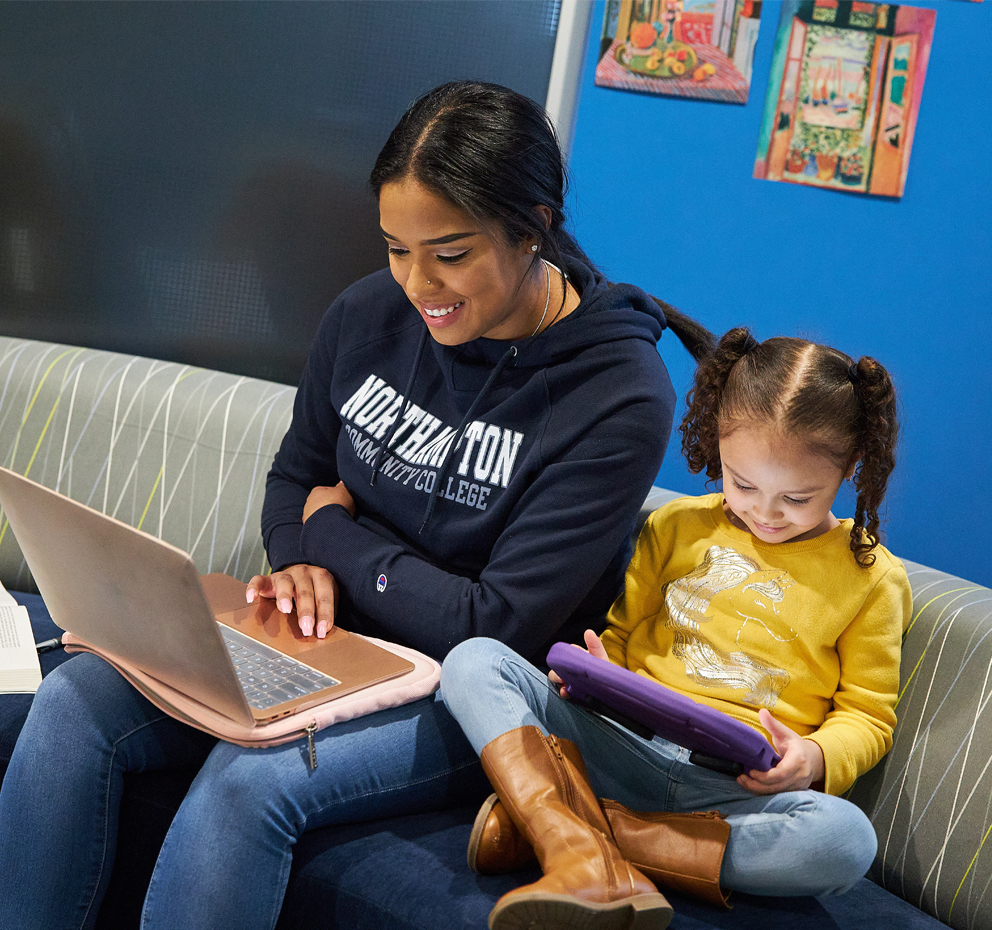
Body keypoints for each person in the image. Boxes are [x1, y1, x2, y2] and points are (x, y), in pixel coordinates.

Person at [0, 81, 712, 930]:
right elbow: (291, 477)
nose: (420, 285)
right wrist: (295, 556)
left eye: (450, 252)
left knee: (251, 780)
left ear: (535, 226)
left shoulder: (617, 393)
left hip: (461, 693)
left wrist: (328, 534)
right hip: (326, 640)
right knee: (77, 699)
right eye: (396, 249)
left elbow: (490, 624)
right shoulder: (369, 313)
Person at [441, 327, 913, 930]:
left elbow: (869, 715)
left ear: (850, 468)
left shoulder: (870, 576)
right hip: (619, 745)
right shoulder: (677, 526)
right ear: (717, 445)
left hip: (733, 791)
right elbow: (620, 635)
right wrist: (597, 671)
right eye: (742, 485)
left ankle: (574, 832)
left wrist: (815, 758)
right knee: (474, 659)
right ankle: (582, 840)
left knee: (845, 840)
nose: (765, 513)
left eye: (797, 498)